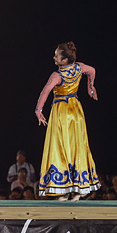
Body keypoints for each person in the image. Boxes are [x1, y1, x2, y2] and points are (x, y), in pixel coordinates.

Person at [35, 42, 101, 201]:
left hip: (62, 111)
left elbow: (45, 92)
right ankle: (80, 189)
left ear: (64, 60)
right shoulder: (79, 67)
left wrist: (38, 110)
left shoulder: (57, 75)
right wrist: (90, 86)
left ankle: (63, 189)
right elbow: (92, 70)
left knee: (61, 146)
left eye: (57, 56)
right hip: (76, 110)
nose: (54, 58)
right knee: (78, 146)